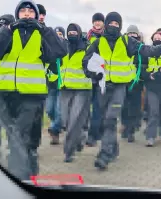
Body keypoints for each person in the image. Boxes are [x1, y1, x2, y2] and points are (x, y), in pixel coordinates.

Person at [0, 0, 67, 180]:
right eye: (23, 11)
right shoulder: (7, 33)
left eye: (30, 11)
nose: (27, 14)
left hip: (32, 96)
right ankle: (29, 171)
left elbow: (61, 50)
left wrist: (44, 29)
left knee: (18, 136)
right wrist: (8, 29)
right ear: (17, 14)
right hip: (6, 94)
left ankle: (16, 177)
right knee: (23, 140)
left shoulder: (42, 35)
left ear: (36, 16)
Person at [82, 11, 161, 170]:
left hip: (119, 88)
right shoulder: (97, 43)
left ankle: (104, 154)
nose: (113, 26)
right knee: (106, 121)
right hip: (103, 87)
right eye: (111, 23)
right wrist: (94, 74)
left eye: (117, 24)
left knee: (110, 119)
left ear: (120, 26)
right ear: (106, 24)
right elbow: (86, 61)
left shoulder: (127, 41)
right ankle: (114, 147)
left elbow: (146, 50)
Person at [60, 23, 92, 162]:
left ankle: (69, 151)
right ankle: (80, 137)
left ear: (79, 33)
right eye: (70, 32)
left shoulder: (87, 48)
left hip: (82, 89)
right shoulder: (63, 47)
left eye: (74, 32)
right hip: (65, 88)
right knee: (65, 120)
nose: (72, 34)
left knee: (74, 120)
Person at [120, 25, 147, 143]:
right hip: (123, 81)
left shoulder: (141, 48)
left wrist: (141, 72)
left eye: (133, 33)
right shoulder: (121, 46)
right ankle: (125, 126)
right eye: (129, 33)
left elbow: (146, 62)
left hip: (137, 82)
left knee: (134, 107)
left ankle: (131, 130)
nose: (131, 35)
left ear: (137, 35)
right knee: (124, 106)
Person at [86, 12, 105, 147]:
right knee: (86, 107)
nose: (97, 23)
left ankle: (93, 135)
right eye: (95, 21)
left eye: (99, 21)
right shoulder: (87, 37)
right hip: (88, 75)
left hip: (101, 76)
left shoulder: (106, 37)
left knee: (98, 107)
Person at [46, 26, 66, 145]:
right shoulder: (48, 47)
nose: (58, 36)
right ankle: (58, 125)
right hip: (50, 84)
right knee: (49, 110)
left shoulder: (66, 48)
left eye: (60, 34)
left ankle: (54, 130)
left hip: (62, 84)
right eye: (56, 34)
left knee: (59, 111)